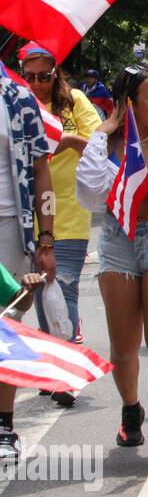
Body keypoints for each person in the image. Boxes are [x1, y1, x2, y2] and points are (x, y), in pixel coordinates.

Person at [74, 66, 148, 463]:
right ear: (129, 105)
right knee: (123, 347)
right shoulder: (104, 144)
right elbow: (89, 191)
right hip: (117, 241)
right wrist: (103, 131)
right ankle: (131, 409)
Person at [22, 49, 99, 365]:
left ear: (55, 74)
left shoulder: (75, 101)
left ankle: (66, 366)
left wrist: (67, 139)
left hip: (68, 211)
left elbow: (98, 143)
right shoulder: (16, 104)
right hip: (27, 216)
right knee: (40, 293)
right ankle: (57, 356)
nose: (37, 83)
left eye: (44, 76)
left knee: (62, 285)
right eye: (30, 77)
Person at [0, 64, 57, 464]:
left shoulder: (19, 100)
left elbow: (41, 172)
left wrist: (47, 236)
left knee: (7, 327)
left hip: (10, 229)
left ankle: (4, 424)